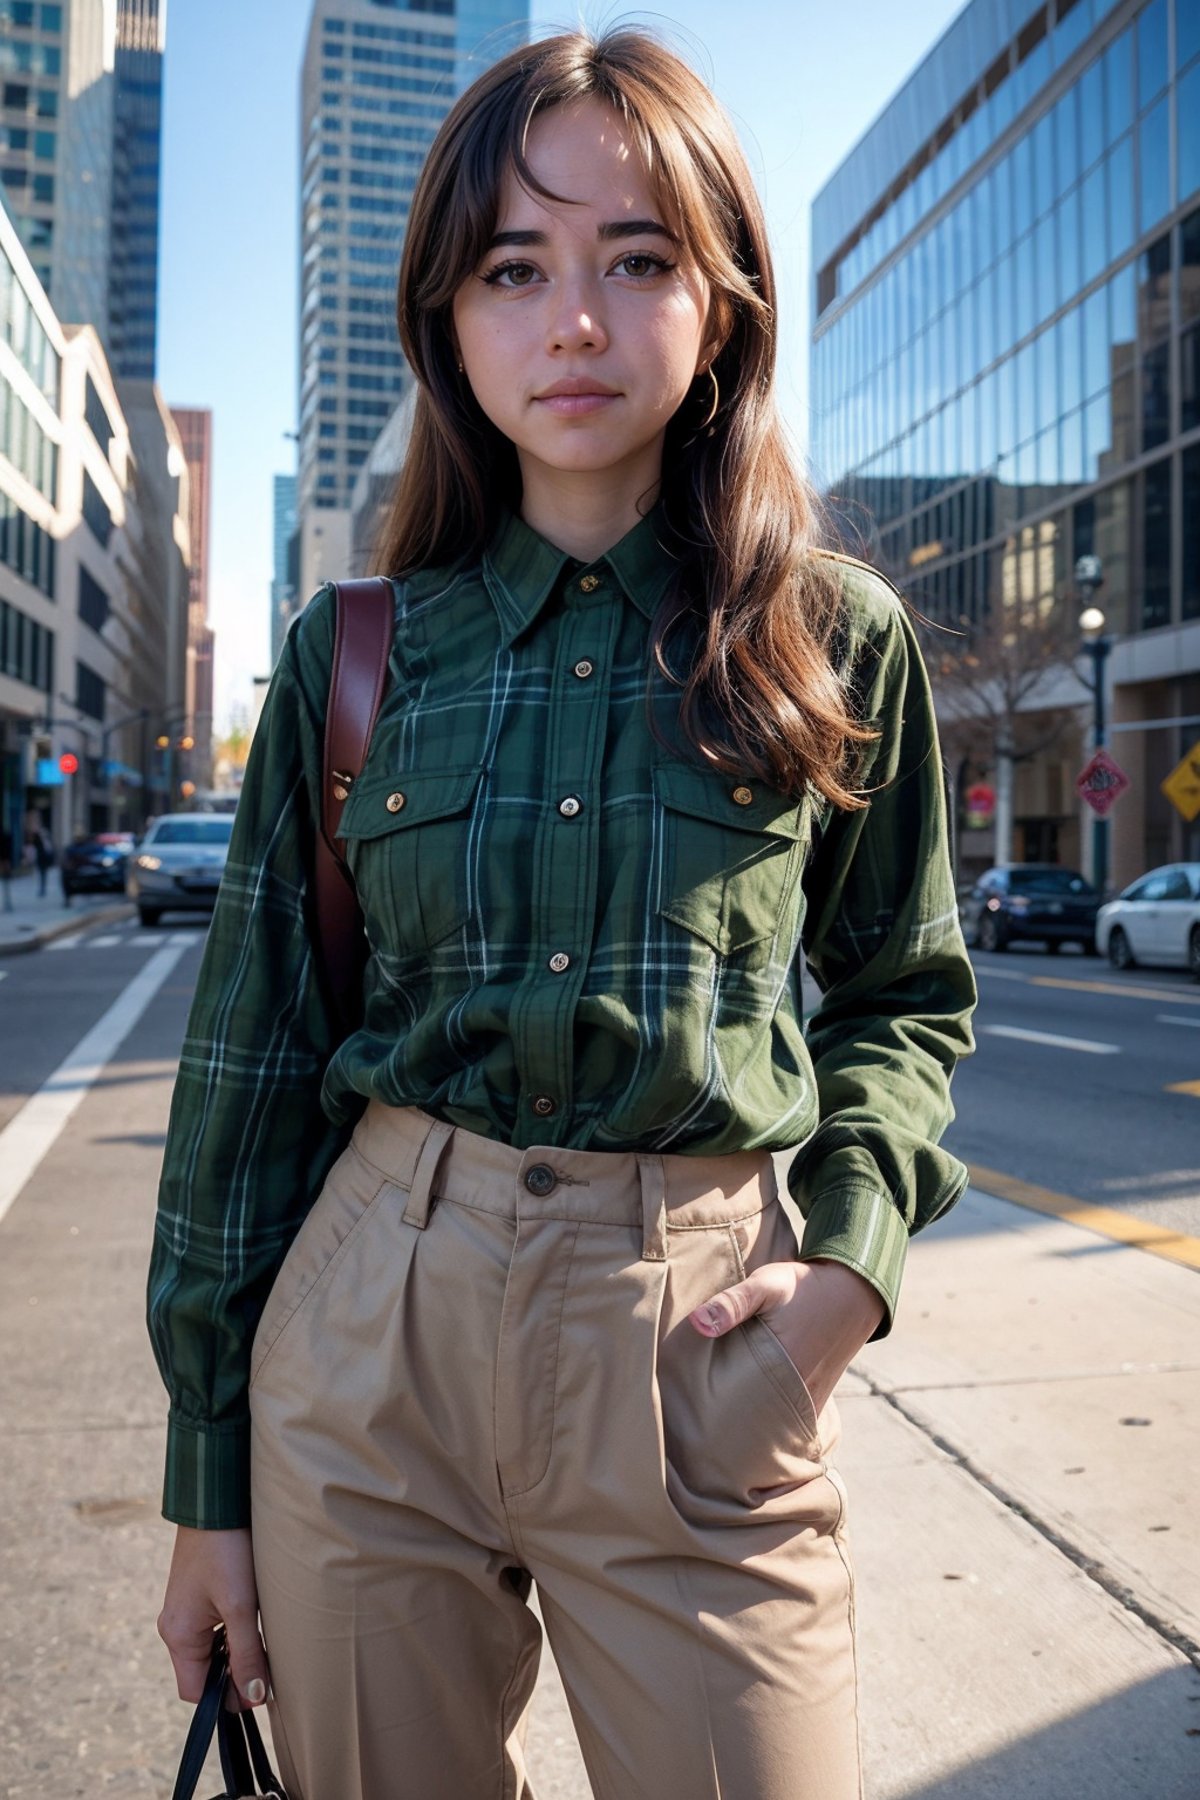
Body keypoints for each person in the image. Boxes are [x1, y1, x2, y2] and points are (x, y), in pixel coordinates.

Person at [149, 29, 976, 1800]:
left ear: (725, 300)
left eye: (637, 259)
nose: (576, 320)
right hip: (372, 1350)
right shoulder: (360, 654)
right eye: (515, 270)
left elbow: (904, 997)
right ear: (449, 318)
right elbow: (251, 1064)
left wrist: (843, 1279)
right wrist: (205, 1488)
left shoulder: (833, 643)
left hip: (694, 1362)